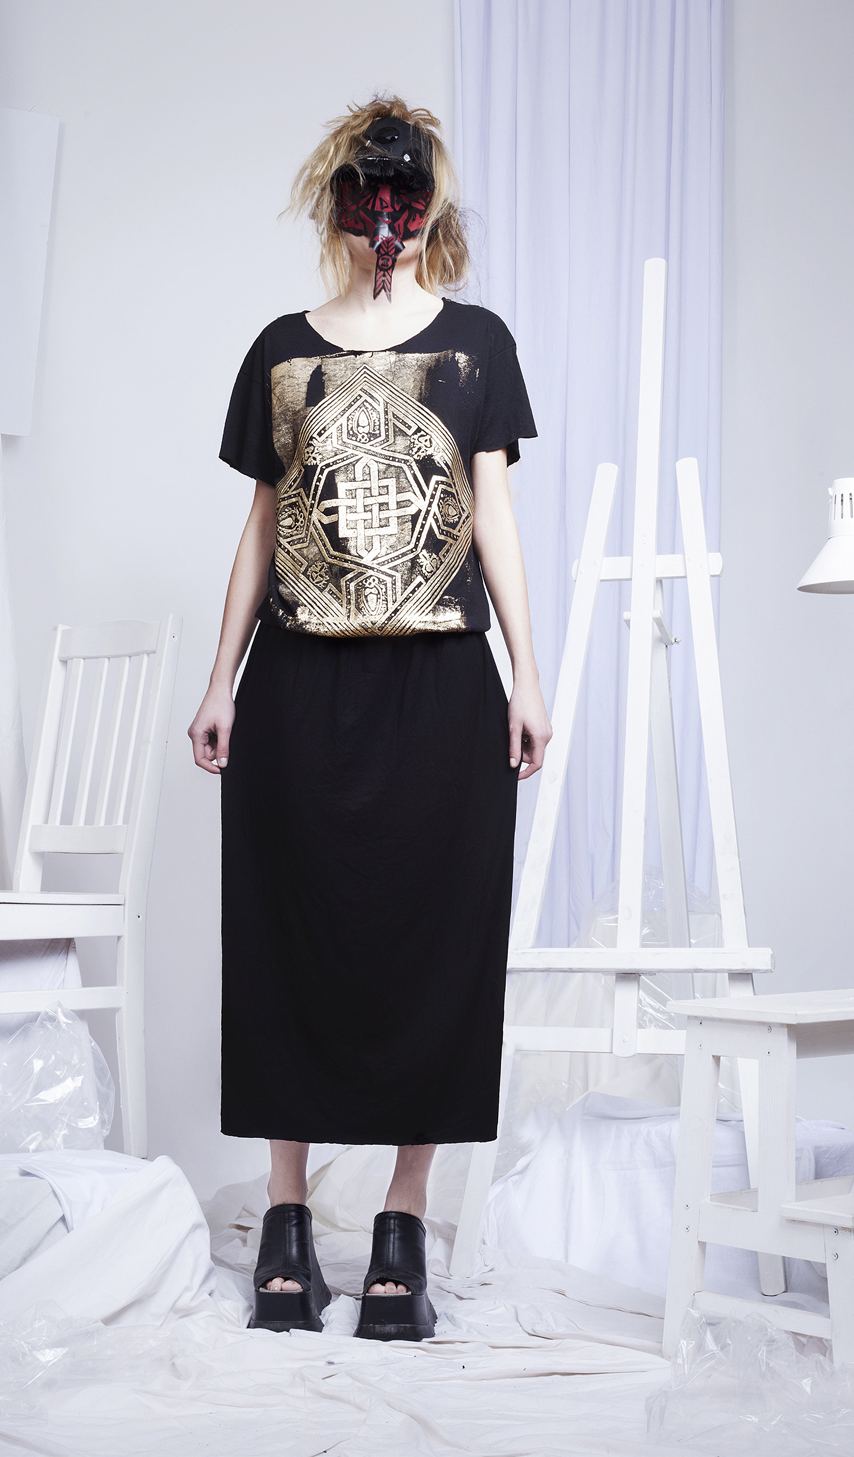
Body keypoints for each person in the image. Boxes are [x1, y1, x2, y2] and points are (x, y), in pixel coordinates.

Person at [188, 96, 551, 1342]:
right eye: (362, 190)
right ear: (334, 200)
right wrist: (220, 677)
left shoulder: (477, 345)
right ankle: (285, 1219)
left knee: (437, 939)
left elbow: (491, 515)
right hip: (299, 684)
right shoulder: (280, 350)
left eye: (402, 192)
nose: (380, 215)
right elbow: (261, 525)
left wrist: (527, 673)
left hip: (440, 684)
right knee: (285, 934)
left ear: (428, 204)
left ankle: (403, 1222)